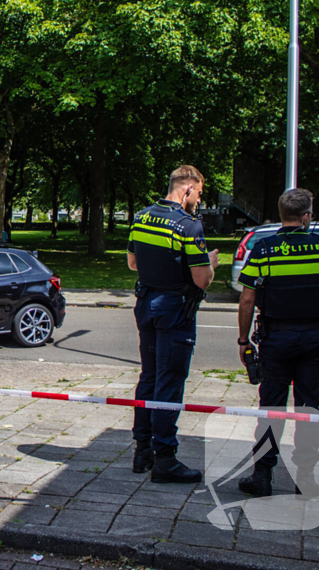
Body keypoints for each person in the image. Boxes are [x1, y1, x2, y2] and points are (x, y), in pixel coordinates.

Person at [235, 188, 319, 497]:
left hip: (277, 339)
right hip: (316, 339)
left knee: (271, 408)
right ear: (305, 217)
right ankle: (306, 477)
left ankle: (262, 476)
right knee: (309, 408)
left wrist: (243, 340)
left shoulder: (263, 249)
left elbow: (247, 300)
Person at [127, 165, 220, 483]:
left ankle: (142, 451)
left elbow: (133, 262)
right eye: (200, 195)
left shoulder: (141, 217)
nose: (199, 202)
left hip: (146, 305)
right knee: (170, 382)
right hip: (175, 310)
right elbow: (201, 280)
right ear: (189, 188)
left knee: (149, 377)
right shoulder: (187, 226)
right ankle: (166, 458)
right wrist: (211, 264)